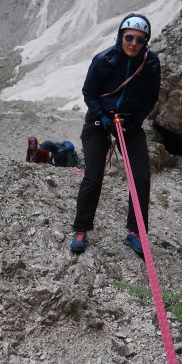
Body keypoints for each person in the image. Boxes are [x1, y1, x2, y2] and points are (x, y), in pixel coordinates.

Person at [70, 14, 161, 255]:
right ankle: (81, 229)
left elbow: (150, 97)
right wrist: (105, 118)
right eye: (129, 37)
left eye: (140, 39)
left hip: (129, 123)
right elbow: (89, 92)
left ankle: (135, 233)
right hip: (100, 120)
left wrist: (134, 122)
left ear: (146, 41)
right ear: (121, 36)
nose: (133, 43)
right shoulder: (104, 59)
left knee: (140, 178)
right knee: (93, 175)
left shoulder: (150, 63)